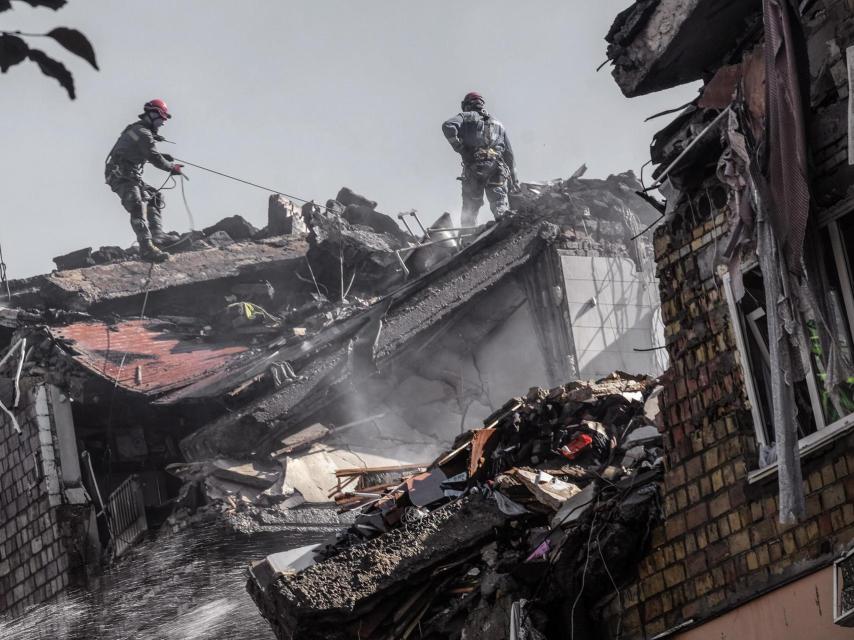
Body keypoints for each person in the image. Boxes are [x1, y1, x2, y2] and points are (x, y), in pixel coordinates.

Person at [105, 99, 184, 262]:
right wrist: (171, 167)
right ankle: (146, 247)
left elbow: (140, 149)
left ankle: (158, 235)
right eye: (162, 118)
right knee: (136, 205)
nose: (163, 122)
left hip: (130, 175)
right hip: (121, 176)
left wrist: (161, 153)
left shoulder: (138, 129)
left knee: (154, 196)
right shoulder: (143, 133)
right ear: (153, 114)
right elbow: (155, 158)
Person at [442, 92, 518, 228]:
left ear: (467, 105)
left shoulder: (467, 116)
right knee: (499, 205)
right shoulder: (499, 125)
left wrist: (459, 148)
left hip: (475, 168)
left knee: (470, 209)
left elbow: (448, 126)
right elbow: (509, 155)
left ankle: (467, 238)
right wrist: (514, 180)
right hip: (497, 168)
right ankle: (505, 228)